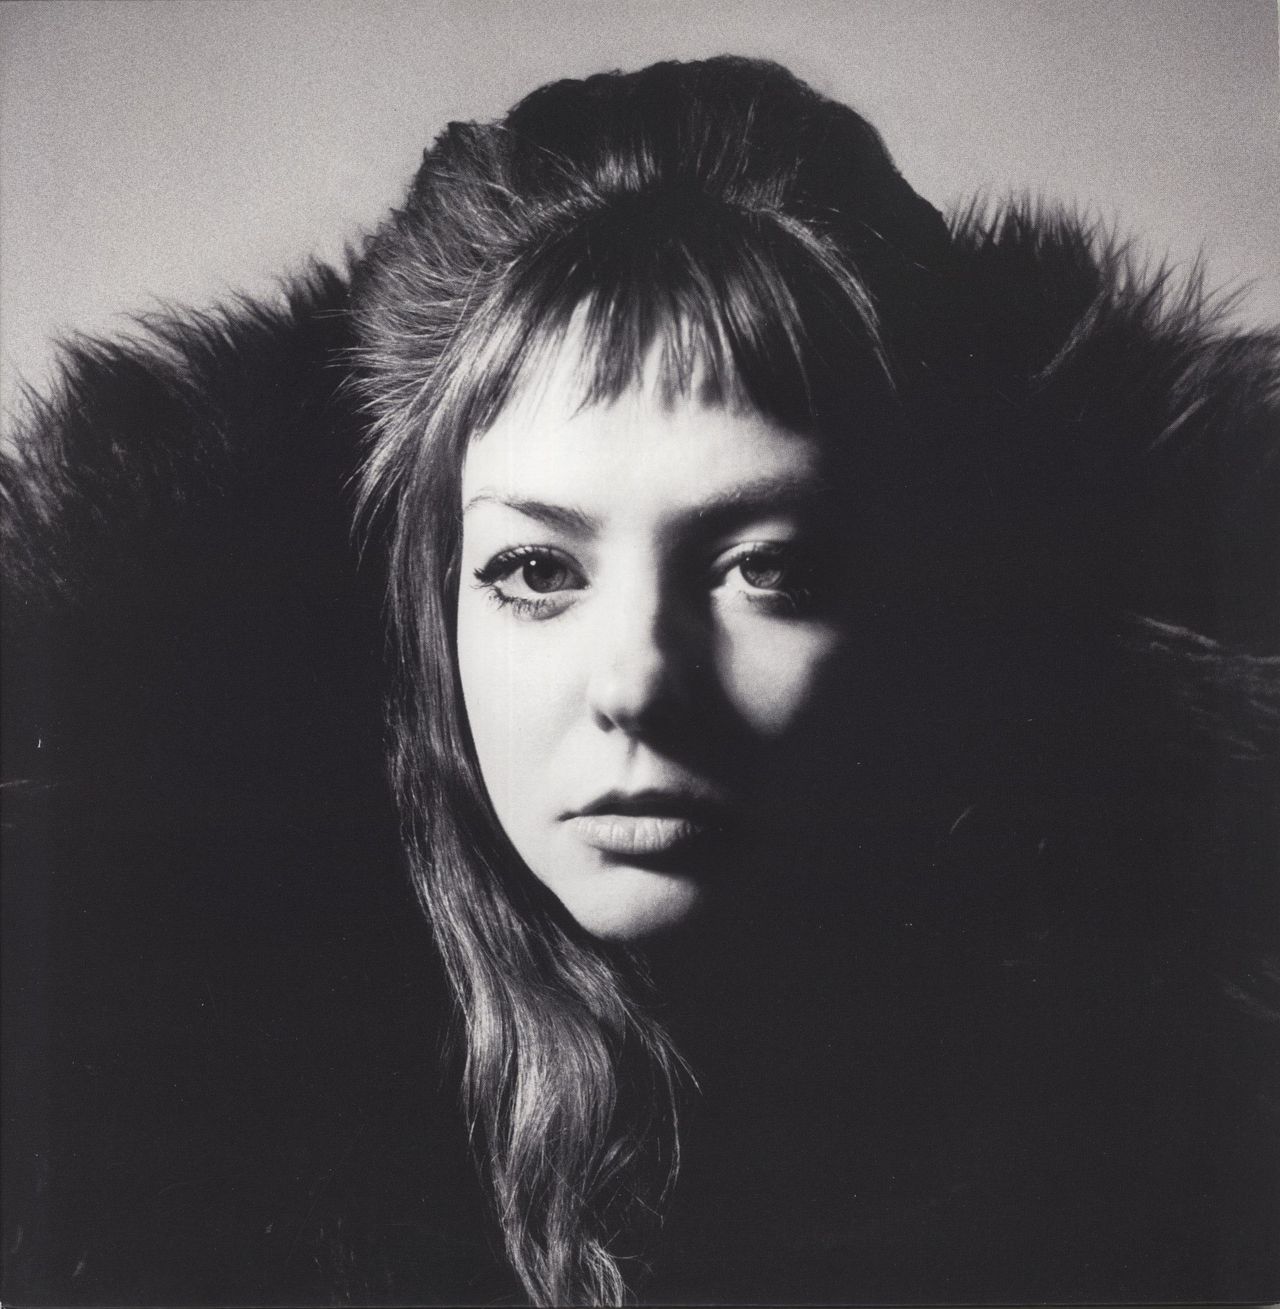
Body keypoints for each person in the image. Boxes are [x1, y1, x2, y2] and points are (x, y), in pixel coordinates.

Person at [2, 56, 1277, 1308]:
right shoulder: (110, 1142)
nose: (639, 683)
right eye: (535, 569)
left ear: (914, 598)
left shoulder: (1171, 1161)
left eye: (765, 568)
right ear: (423, 609)